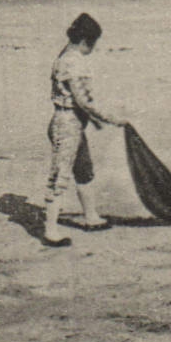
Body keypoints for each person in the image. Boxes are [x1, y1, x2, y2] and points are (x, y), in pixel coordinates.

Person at [43, 13, 125, 244]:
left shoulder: (65, 55)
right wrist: (110, 118)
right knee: (60, 176)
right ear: (85, 41)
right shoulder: (73, 61)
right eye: (93, 43)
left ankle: (91, 216)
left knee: (84, 169)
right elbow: (84, 101)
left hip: (72, 123)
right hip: (67, 124)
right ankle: (50, 231)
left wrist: (96, 121)